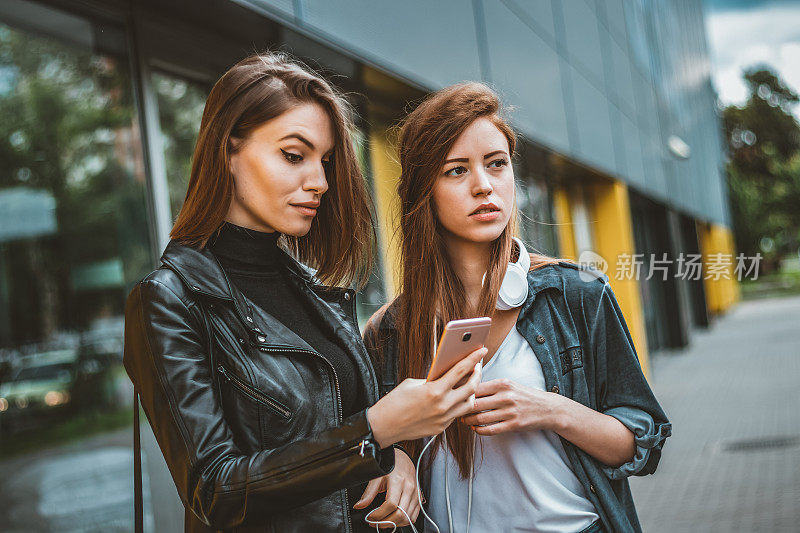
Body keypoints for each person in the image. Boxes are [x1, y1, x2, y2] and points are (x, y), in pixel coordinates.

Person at [122, 52, 484, 533]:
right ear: (229, 150)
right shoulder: (169, 301)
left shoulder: (315, 293)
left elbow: (336, 425)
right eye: (294, 156)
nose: (319, 182)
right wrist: (374, 432)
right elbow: (214, 490)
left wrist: (389, 456)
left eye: (326, 161)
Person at [363, 82, 672, 533]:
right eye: (455, 171)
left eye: (496, 164)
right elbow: (365, 442)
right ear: (421, 191)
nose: (484, 185)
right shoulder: (391, 330)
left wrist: (550, 409)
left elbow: (642, 446)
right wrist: (393, 458)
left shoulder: (576, 293)